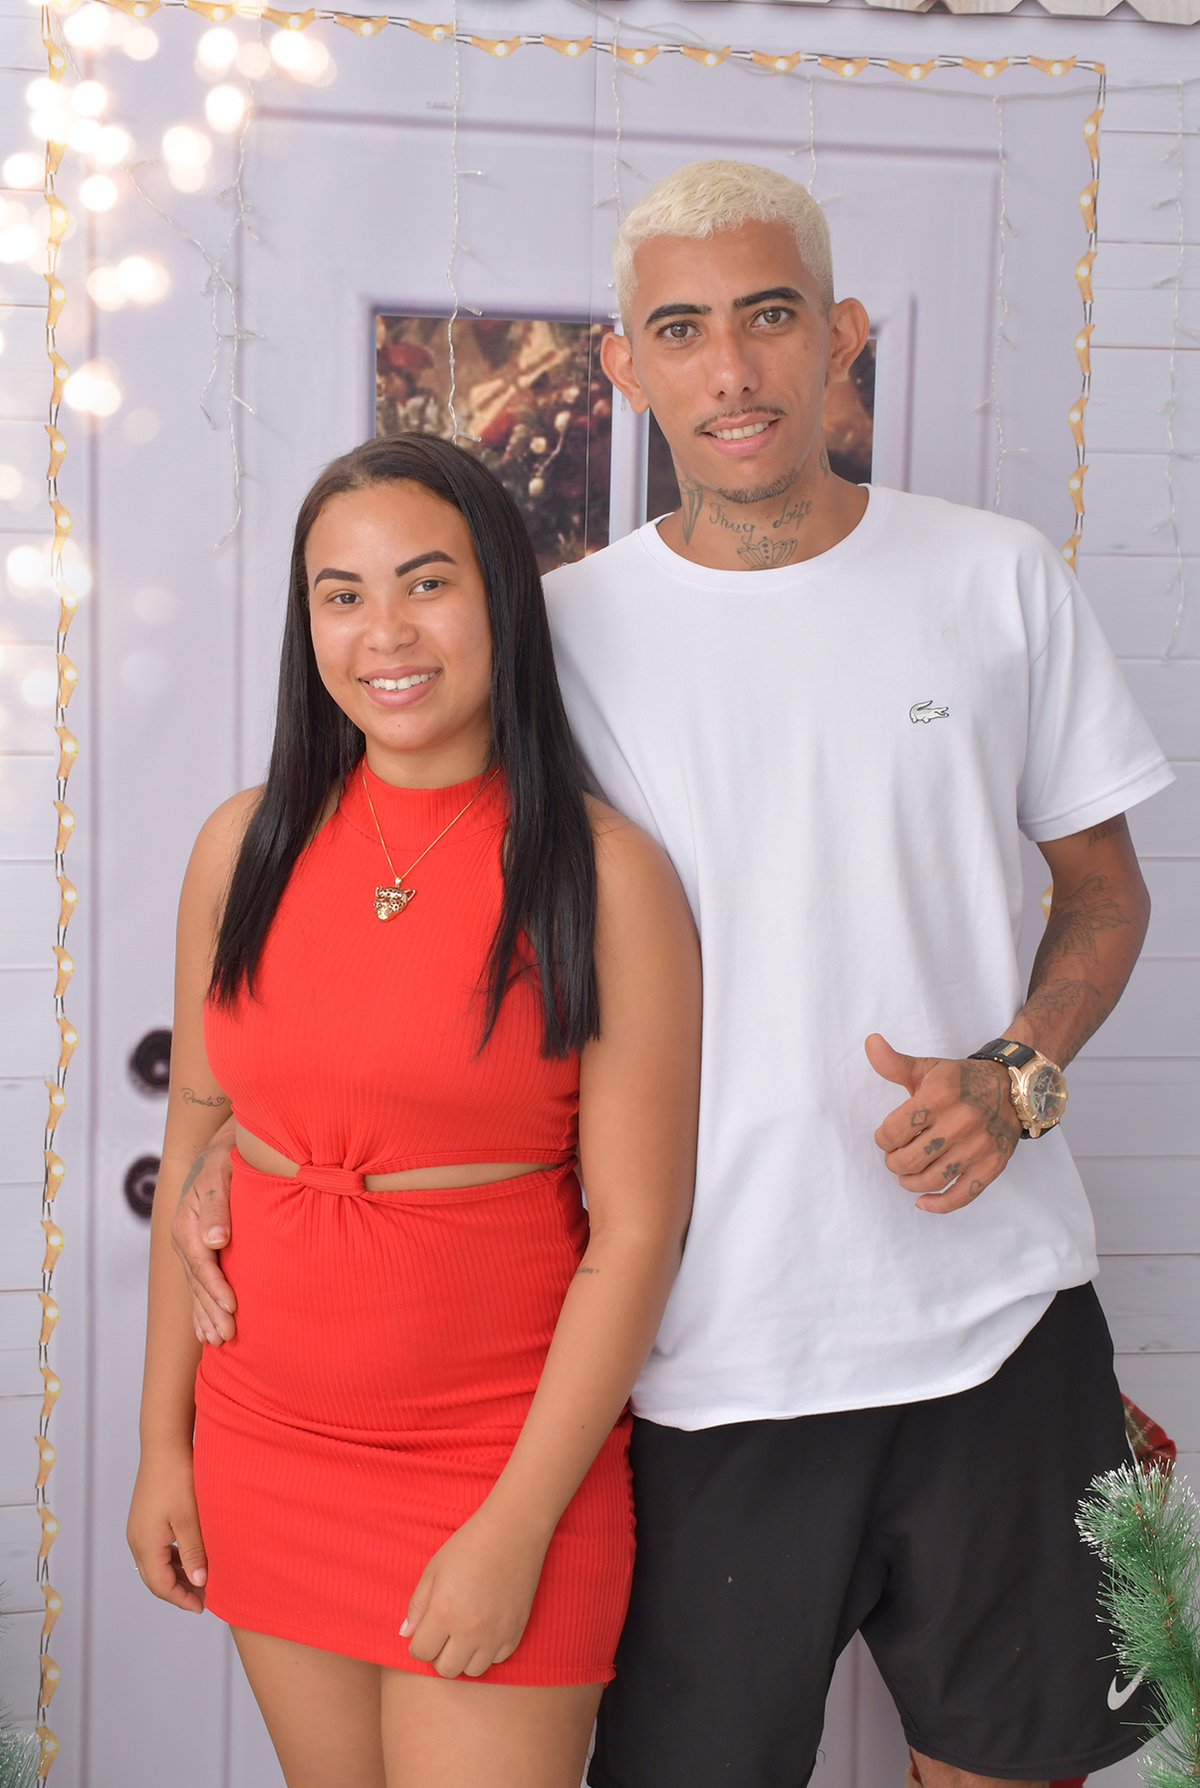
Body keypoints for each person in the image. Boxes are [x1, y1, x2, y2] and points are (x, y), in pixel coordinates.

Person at [172, 163, 1173, 1788]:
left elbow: (1106, 895)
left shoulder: (996, 579)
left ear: (841, 335)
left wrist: (1018, 1074)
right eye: (684, 330)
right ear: (624, 366)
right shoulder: (555, 633)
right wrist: (245, 1133)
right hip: (701, 1358)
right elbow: (388, 891)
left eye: (771, 316)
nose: (734, 368)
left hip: (994, 1322)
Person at [126, 434, 701, 1788]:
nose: (383, 632)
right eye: (341, 594)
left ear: (500, 599)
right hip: (266, 1446)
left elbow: (636, 1233)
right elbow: (196, 1137)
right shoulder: (243, 846)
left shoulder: (602, 875)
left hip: (497, 1464)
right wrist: (162, 1445)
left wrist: (517, 1526)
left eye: (426, 583)